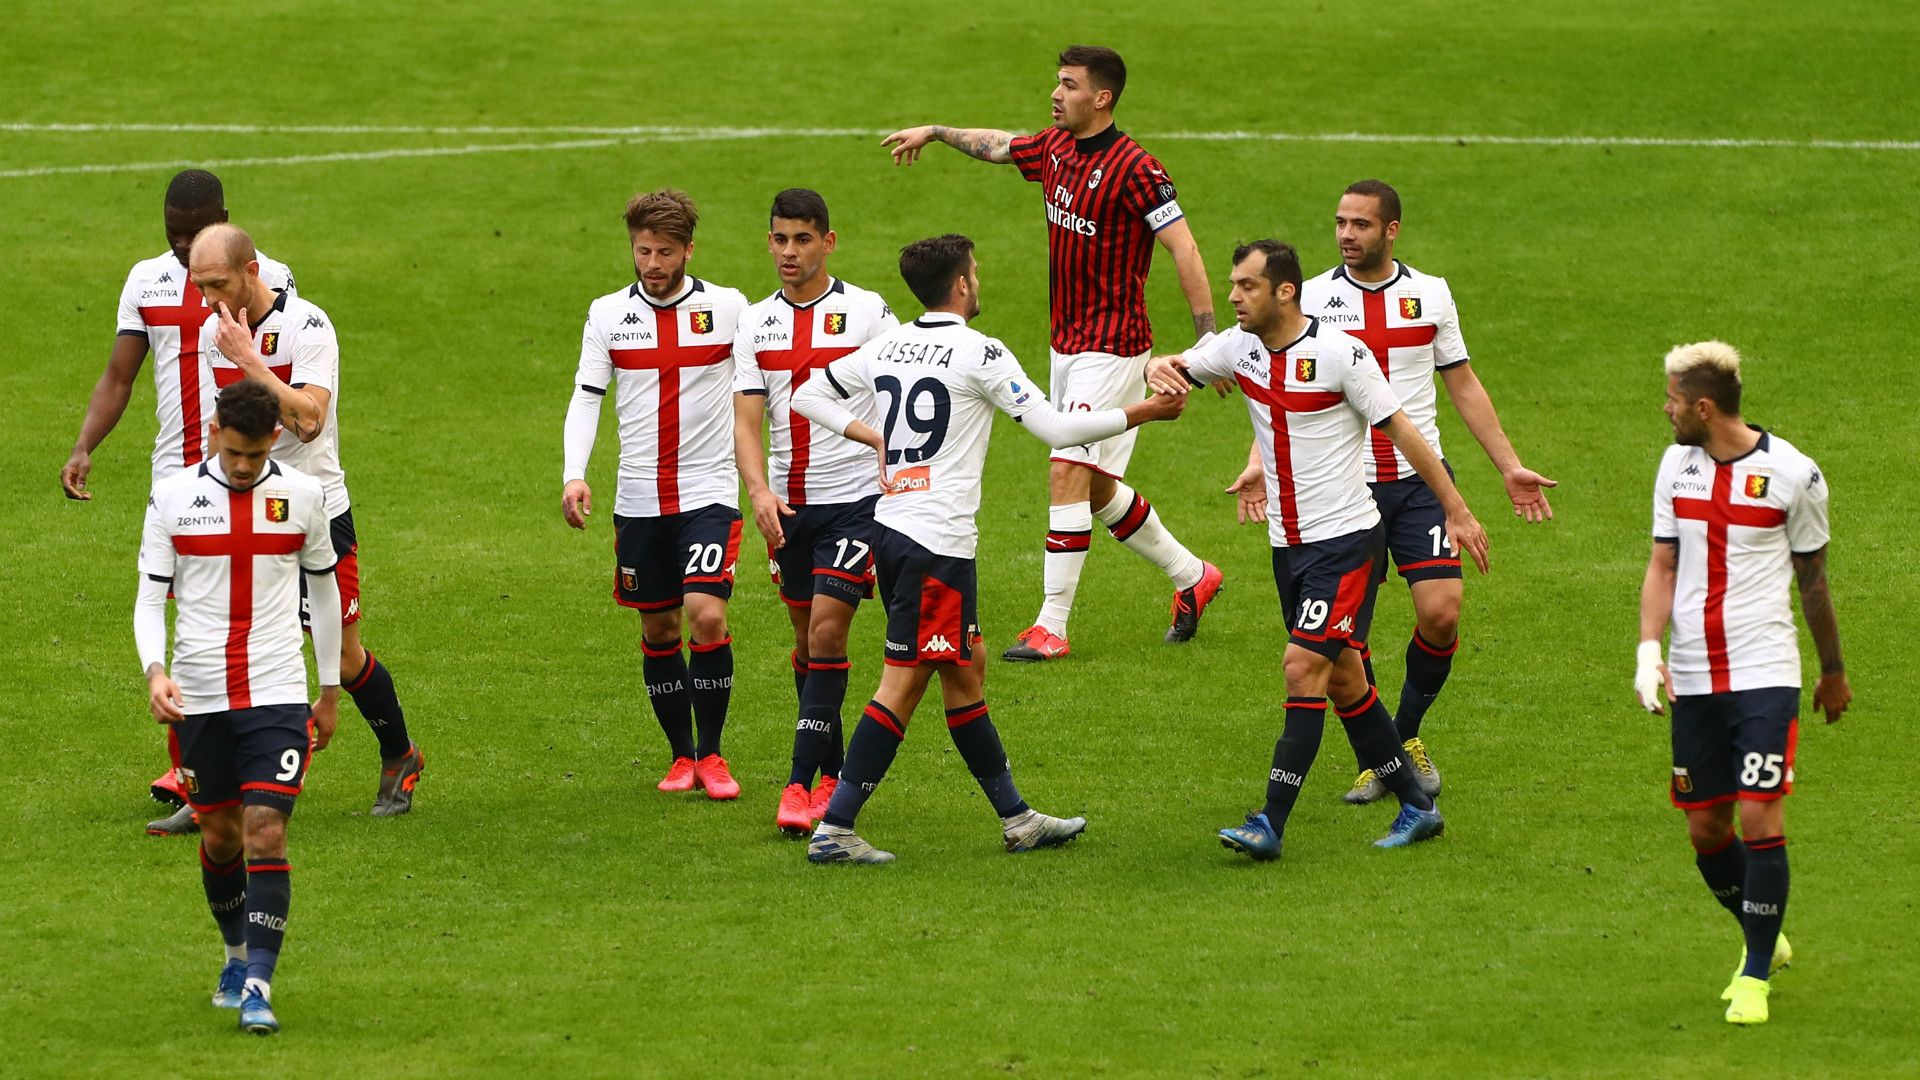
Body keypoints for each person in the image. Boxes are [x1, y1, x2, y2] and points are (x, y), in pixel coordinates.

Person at [789, 234, 1184, 863]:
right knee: (902, 685)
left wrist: (875, 440)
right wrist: (1143, 413)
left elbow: (806, 394)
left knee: (966, 668)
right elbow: (1055, 429)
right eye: (976, 270)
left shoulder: (885, 345)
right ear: (963, 285)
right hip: (935, 546)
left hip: (892, 531)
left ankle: (1018, 819)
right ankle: (836, 828)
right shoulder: (981, 353)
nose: (980, 278)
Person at [1144, 240, 1489, 861]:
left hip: (1347, 544)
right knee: (1346, 680)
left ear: (1284, 291)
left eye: (1246, 286)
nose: (1232, 297)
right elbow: (1177, 365)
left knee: (1302, 668)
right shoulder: (1238, 347)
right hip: (1289, 546)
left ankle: (1269, 823)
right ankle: (1417, 804)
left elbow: (1404, 431)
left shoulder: (1339, 353)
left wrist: (1456, 511)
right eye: (1232, 285)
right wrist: (1156, 370)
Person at [883, 44, 1222, 661]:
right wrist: (934, 131)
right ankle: (1192, 576)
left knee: (1065, 466)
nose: (1055, 94)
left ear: (1102, 98)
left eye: (1068, 85)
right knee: (1090, 486)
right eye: (1056, 83)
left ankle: (1051, 626)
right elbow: (1000, 144)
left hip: (1114, 345)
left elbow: (1185, 248)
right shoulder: (1056, 149)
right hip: (1066, 343)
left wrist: (1206, 341)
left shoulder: (1137, 169)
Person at [1283, 179, 1556, 804]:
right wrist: (1257, 460)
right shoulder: (1316, 298)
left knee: (1441, 612)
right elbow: (1289, 382)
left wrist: (1508, 465)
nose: (1347, 235)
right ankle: (1386, 761)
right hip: (1344, 488)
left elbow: (1462, 383)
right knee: (1346, 640)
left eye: (1360, 224)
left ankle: (1400, 742)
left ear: (1391, 230)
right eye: (1340, 223)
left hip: (1418, 483)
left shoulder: (1430, 295)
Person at [59, 168, 296, 836]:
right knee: (180, 628)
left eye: (196, 234)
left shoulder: (265, 275)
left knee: (246, 623)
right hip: (175, 482)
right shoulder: (147, 281)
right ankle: (199, 784)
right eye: (174, 235)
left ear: (226, 218)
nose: (186, 247)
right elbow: (119, 376)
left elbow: (285, 371)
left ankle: (253, 758)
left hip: (246, 472)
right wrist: (84, 446)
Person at [1634, 340, 1849, 1026]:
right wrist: (1647, 649)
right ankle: (1765, 930)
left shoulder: (1793, 475)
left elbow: (1814, 583)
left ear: (1703, 407)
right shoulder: (1676, 465)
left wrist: (1833, 671)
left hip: (1765, 670)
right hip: (1695, 674)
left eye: (1671, 400)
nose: (1664, 410)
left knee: (1760, 815)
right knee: (1706, 829)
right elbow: (1662, 564)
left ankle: (1754, 972)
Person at [192, 224, 425, 815]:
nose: (208, 300)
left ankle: (400, 755)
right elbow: (213, 431)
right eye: (199, 287)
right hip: (240, 512)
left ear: (251, 273)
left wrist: (249, 360)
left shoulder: (310, 326)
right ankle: (209, 795)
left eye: (218, 284)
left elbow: (309, 420)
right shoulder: (207, 331)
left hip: (315, 514)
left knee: (342, 658)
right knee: (223, 645)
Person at [136, 378, 343, 1035]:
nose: (245, 467)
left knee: (266, 831)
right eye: (233, 455)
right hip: (198, 696)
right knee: (221, 835)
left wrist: (330, 688)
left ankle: (258, 983)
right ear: (212, 438)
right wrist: (155, 672)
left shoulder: (304, 497)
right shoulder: (172, 496)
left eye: (255, 455)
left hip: (277, 691)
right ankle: (232, 954)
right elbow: (148, 597)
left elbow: (327, 593)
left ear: (273, 439)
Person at [563, 189, 749, 798]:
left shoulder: (728, 309)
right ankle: (681, 756)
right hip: (639, 500)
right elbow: (588, 397)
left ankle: (715, 756)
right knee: (660, 630)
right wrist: (574, 471)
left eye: (665, 252)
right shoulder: (607, 314)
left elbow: (761, 387)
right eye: (642, 251)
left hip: (708, 491)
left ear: (689, 250)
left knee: (707, 613)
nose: (651, 264)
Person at [732, 188, 900, 835]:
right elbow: (748, 421)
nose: (789, 252)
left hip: (859, 502)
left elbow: (900, 387)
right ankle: (829, 771)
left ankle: (798, 787)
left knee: (829, 632)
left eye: (803, 240)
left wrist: (897, 464)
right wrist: (760, 492)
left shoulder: (865, 312)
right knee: (806, 644)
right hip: (789, 509)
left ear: (829, 241)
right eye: (779, 239)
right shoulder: (753, 322)